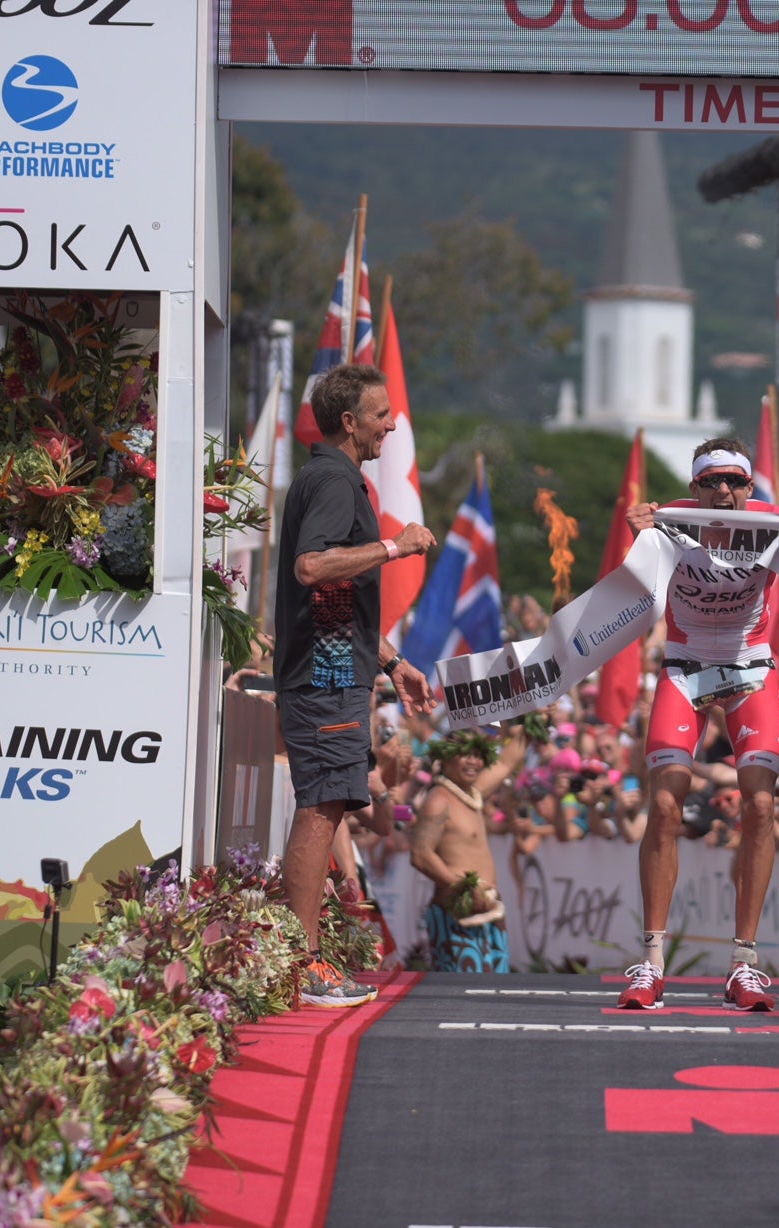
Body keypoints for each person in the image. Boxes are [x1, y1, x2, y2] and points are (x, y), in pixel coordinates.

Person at [616, 438, 779, 1012]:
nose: (724, 492)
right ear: (694, 490)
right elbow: (625, 601)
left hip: (749, 665)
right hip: (685, 666)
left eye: (735, 481)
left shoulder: (773, 527)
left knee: (760, 806)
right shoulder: (671, 527)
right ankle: (652, 960)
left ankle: (744, 963)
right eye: (712, 483)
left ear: (751, 488)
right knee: (663, 806)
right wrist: (636, 540)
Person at [275, 362, 438, 1008]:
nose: (391, 425)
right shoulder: (334, 481)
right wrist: (395, 549)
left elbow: (339, 601)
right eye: (380, 415)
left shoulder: (337, 480)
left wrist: (393, 664)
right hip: (320, 676)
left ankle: (304, 957)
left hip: (338, 668)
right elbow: (313, 566)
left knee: (334, 805)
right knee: (321, 807)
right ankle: (302, 963)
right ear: (348, 422)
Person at [409, 725, 529, 972]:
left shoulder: (472, 793)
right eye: (465, 753)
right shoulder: (439, 800)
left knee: (495, 999)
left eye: (478, 754)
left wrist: (536, 713)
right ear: (444, 757)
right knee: (463, 1001)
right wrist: (464, 889)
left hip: (490, 913)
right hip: (456, 917)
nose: (473, 760)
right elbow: (420, 855)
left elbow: (508, 761)